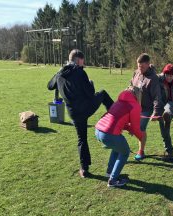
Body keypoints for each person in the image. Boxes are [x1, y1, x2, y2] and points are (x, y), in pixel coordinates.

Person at [47, 49, 114, 178]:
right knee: (103, 94)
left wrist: (58, 74)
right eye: (82, 62)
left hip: (74, 113)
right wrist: (90, 83)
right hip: (85, 108)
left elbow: (49, 86)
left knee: (81, 139)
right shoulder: (80, 72)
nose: (83, 64)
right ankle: (117, 117)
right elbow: (90, 93)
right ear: (78, 60)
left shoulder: (60, 73)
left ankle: (84, 169)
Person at [95, 86, 145, 187]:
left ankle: (110, 172)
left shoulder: (119, 101)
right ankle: (113, 180)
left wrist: (130, 129)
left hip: (98, 130)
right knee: (125, 152)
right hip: (109, 133)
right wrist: (141, 137)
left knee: (117, 149)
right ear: (138, 95)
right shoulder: (134, 105)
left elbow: (119, 119)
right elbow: (136, 127)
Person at [130, 53, 162, 161]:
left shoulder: (153, 79)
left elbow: (157, 97)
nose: (140, 69)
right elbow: (131, 85)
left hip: (146, 109)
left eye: (142, 67)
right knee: (131, 127)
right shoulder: (136, 73)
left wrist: (156, 112)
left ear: (148, 64)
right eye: (138, 66)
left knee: (140, 129)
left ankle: (141, 151)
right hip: (134, 106)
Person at [158, 64, 173, 160]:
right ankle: (170, 153)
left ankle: (167, 115)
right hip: (160, 107)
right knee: (164, 132)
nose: (169, 77)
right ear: (164, 74)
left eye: (171, 75)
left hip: (172, 107)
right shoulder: (159, 80)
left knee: (170, 104)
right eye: (167, 75)